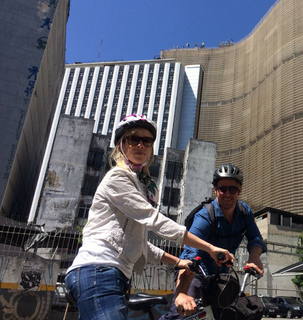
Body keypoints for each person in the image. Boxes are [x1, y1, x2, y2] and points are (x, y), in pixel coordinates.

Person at [65, 114, 234, 320]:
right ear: (121, 145)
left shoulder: (139, 184)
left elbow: (143, 245)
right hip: (97, 270)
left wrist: (178, 262)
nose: (140, 145)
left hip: (113, 274)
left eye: (146, 141)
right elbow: (155, 221)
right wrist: (210, 247)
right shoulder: (118, 177)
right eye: (133, 139)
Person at [162, 163, 267, 320]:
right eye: (222, 189)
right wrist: (182, 293)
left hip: (220, 274)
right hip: (196, 272)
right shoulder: (205, 216)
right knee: (186, 313)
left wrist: (254, 256)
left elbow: (256, 238)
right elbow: (191, 254)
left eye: (233, 189)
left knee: (229, 314)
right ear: (216, 190)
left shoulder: (244, 212)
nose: (227, 194)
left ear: (240, 190)